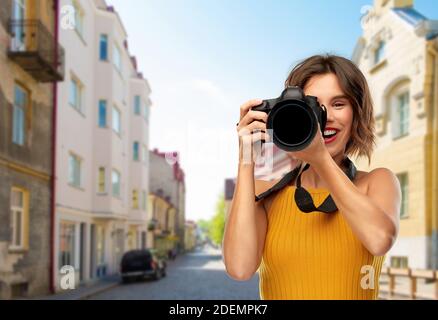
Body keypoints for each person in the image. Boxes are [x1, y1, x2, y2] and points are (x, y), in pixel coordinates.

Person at [222, 54, 401, 300]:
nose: (325, 118)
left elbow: (380, 240)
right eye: (315, 105)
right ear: (292, 113)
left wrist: (319, 157)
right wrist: (246, 159)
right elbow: (239, 268)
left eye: (339, 104)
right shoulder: (268, 190)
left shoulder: (377, 182)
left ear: (357, 113)